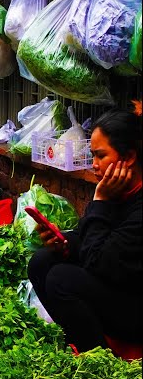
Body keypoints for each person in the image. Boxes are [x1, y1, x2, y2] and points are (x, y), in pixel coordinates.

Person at [28, 105, 142, 351]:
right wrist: (64, 244)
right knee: (41, 261)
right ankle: (79, 339)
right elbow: (88, 237)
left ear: (129, 157)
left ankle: (99, 360)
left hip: (135, 306)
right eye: (93, 155)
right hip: (115, 285)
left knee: (61, 280)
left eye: (101, 156)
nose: (94, 165)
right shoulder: (115, 191)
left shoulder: (129, 202)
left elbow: (99, 262)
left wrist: (100, 202)